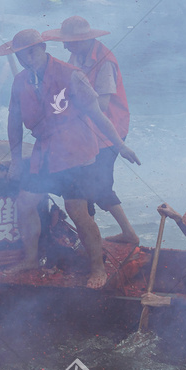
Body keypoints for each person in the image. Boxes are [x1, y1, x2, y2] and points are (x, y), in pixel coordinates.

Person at [0, 29, 140, 288]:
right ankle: (30, 258)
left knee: (78, 212)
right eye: (17, 56)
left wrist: (120, 146)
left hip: (77, 151)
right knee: (25, 203)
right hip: (45, 153)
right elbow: (13, 121)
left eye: (24, 54)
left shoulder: (71, 75)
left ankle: (98, 268)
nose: (22, 59)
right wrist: (16, 161)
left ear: (37, 50)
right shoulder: (20, 81)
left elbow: (98, 115)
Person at [42, 16, 139, 245]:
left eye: (69, 42)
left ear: (84, 40)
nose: (65, 46)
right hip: (88, 130)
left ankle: (127, 234)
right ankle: (93, 237)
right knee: (87, 187)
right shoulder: (78, 53)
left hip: (108, 130)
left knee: (99, 186)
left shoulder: (105, 62)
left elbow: (102, 106)